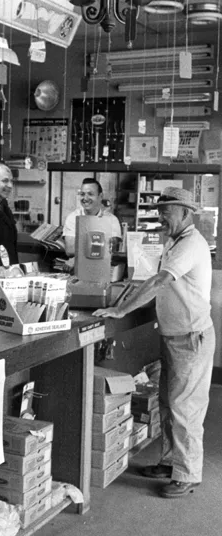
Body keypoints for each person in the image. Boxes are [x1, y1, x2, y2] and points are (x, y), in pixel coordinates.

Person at [93, 187, 215, 499]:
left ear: (185, 213)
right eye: (159, 210)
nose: (160, 216)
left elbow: (161, 281)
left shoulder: (191, 243)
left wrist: (121, 309)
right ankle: (171, 462)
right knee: (169, 403)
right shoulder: (175, 241)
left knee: (185, 408)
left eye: (167, 211)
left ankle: (187, 474)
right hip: (176, 337)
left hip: (191, 338)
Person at [63, 177, 122, 257]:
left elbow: (110, 249)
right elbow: (70, 250)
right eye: (82, 194)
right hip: (80, 267)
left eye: (90, 194)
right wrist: (99, 242)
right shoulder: (73, 218)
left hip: (102, 267)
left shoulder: (111, 220)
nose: (85, 198)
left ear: (100, 196)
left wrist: (82, 244)